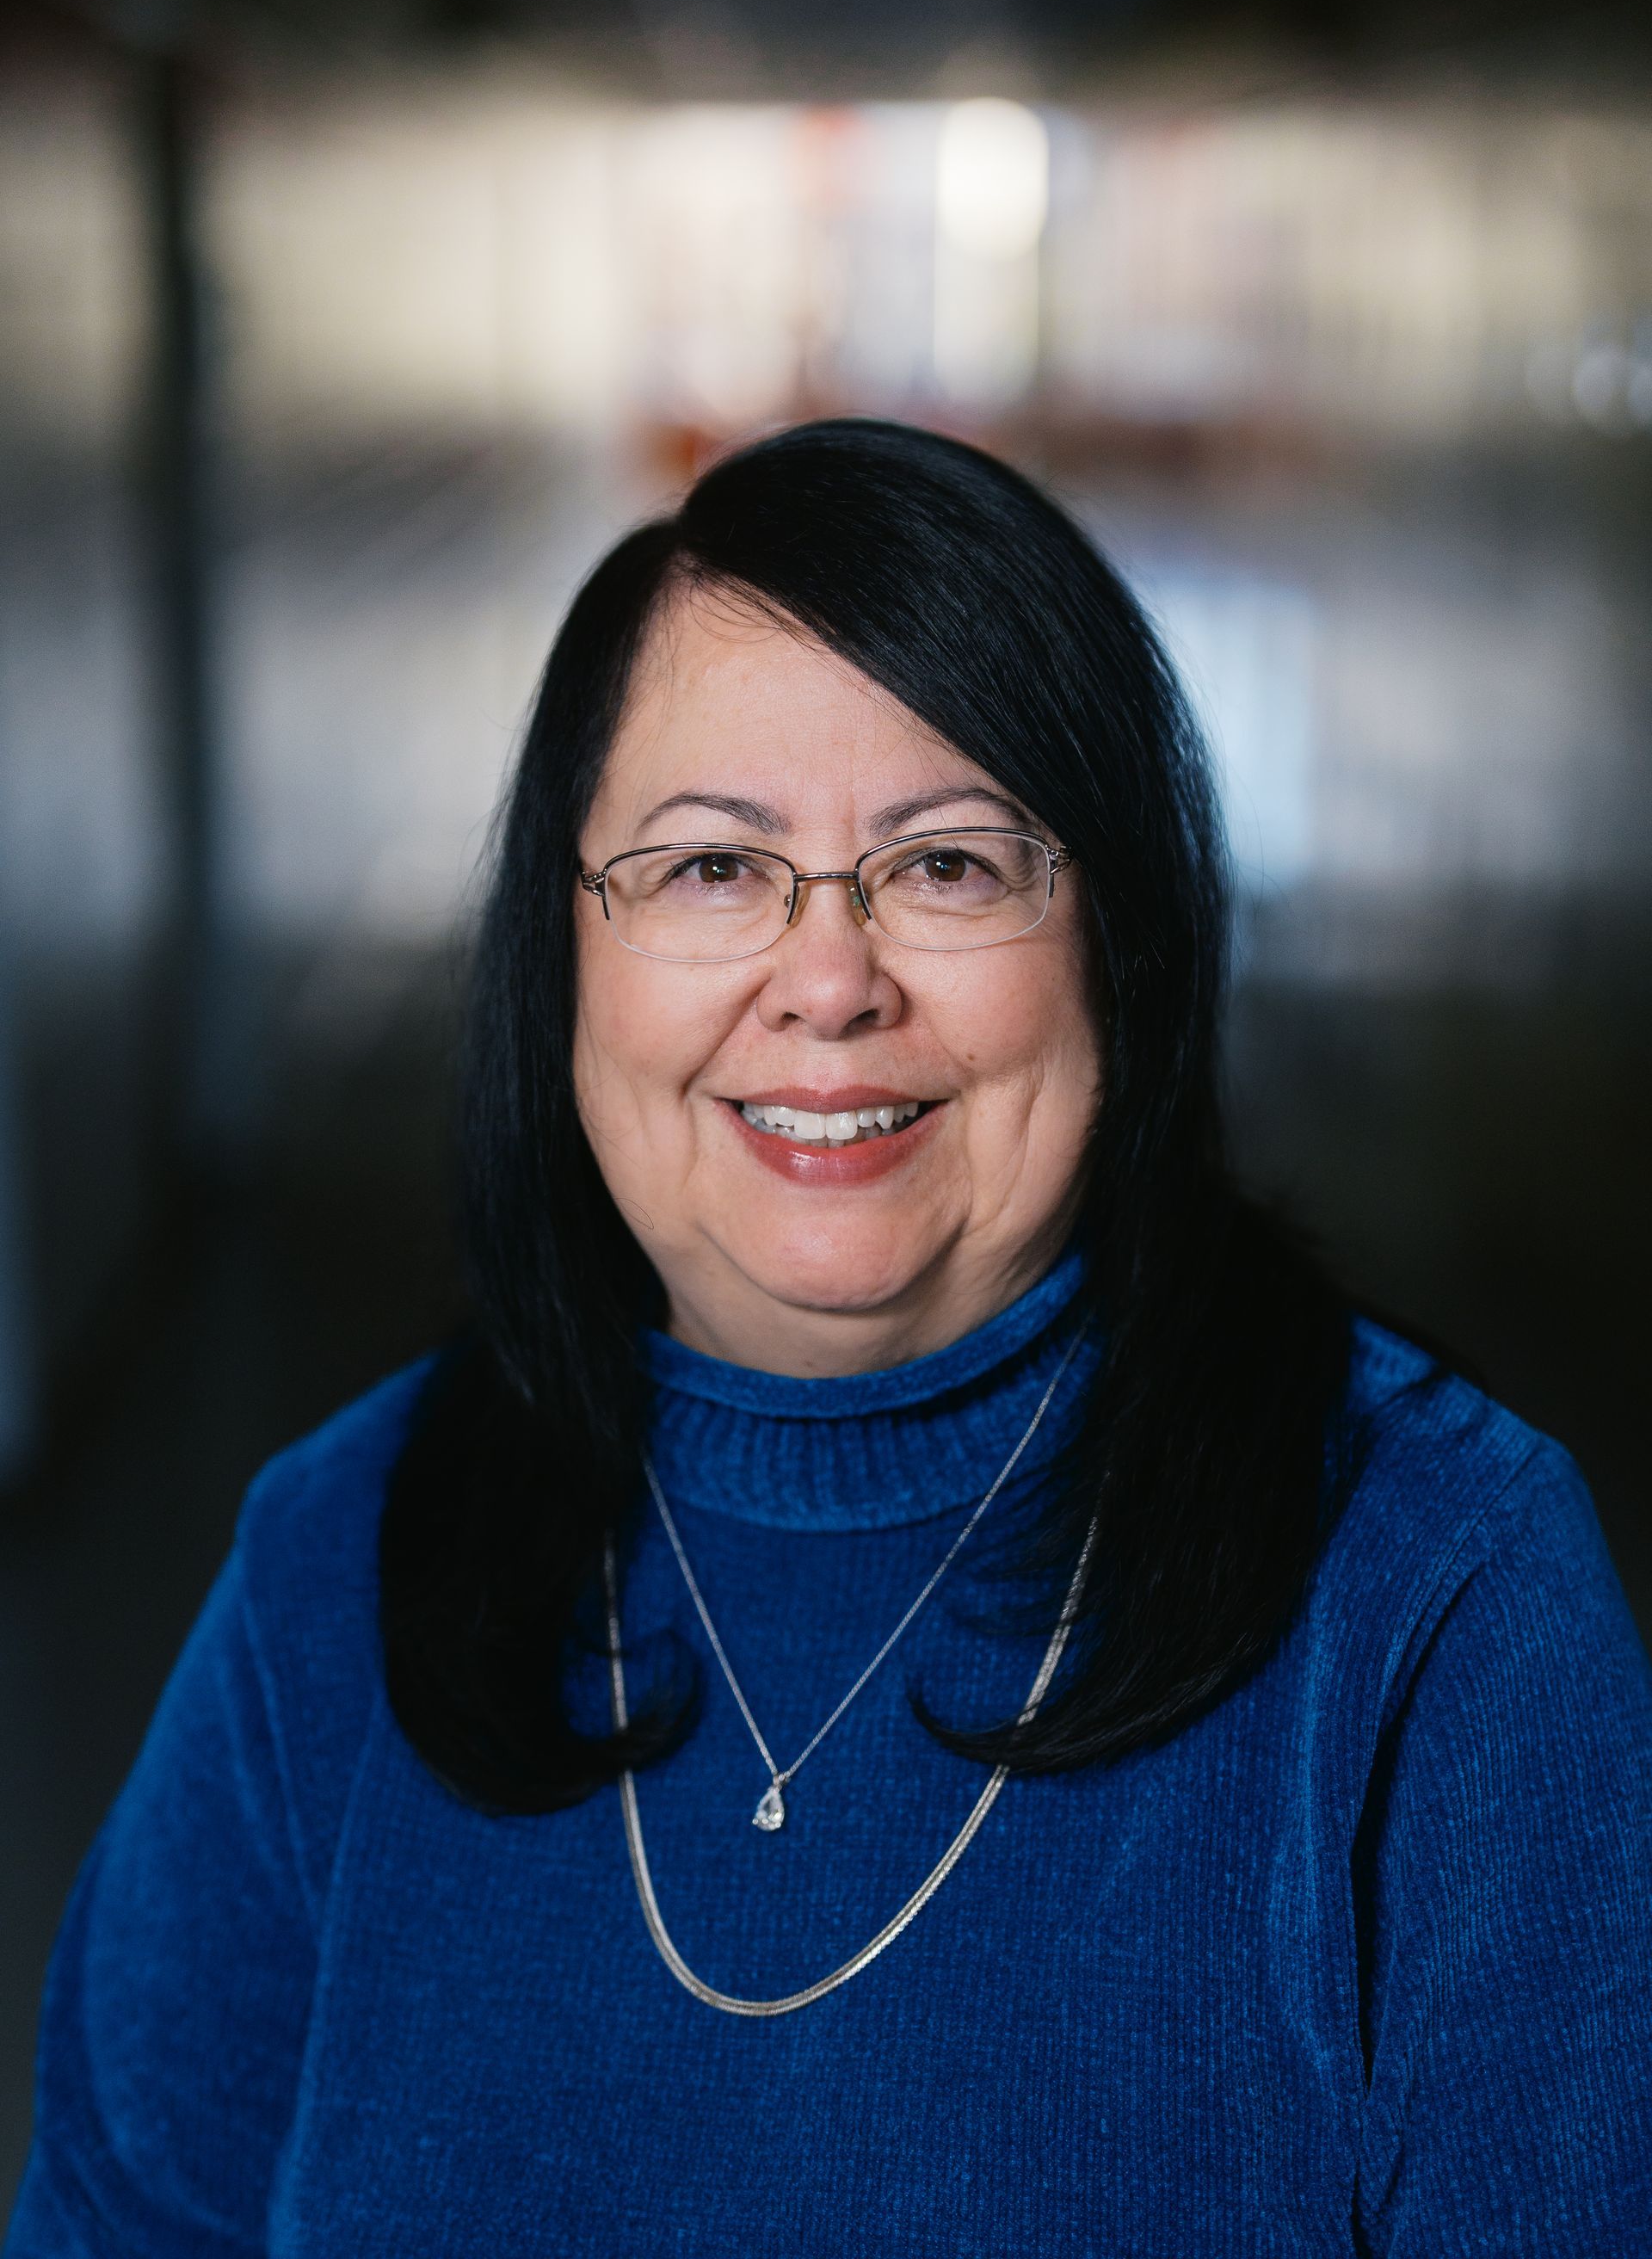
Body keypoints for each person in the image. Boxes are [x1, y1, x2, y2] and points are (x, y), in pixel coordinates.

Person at [6, 418, 1650, 2257]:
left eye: (950, 865)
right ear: (564, 954)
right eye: (712, 868)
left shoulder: (1441, 1595)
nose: (830, 977)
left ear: (1124, 937)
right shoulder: (337, 1561)